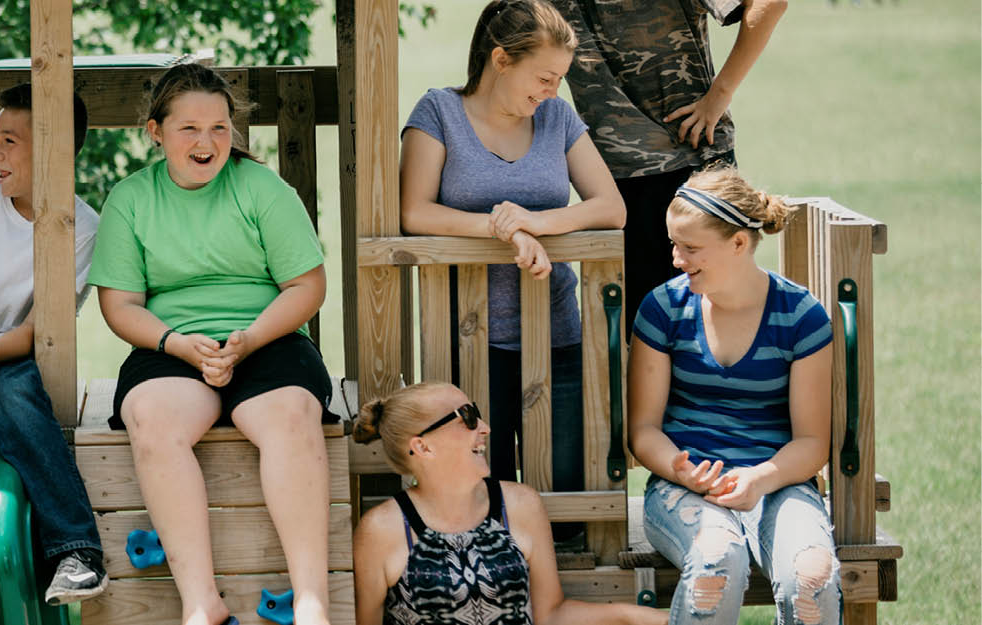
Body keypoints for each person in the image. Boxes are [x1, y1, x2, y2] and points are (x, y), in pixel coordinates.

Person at [87, 63, 334, 625]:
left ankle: (312, 601)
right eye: (190, 129)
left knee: (293, 415)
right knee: (152, 418)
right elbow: (120, 305)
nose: (207, 142)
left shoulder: (262, 188)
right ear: (156, 132)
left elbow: (307, 285)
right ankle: (202, 604)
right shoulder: (131, 199)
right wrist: (177, 343)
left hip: (266, 335)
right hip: (169, 344)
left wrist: (246, 341)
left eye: (220, 128)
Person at [399, 0, 625, 549]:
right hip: (468, 345)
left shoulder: (557, 118)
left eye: (560, 79)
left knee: (567, 507)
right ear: (501, 59)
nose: (552, 90)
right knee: (479, 503)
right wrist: (504, 230)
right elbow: (414, 212)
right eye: (545, 77)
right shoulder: (438, 113)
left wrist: (537, 221)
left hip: (559, 339)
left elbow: (611, 207)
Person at [627, 167, 841, 624]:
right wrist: (683, 472)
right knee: (716, 562)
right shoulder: (663, 309)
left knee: (812, 576)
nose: (675, 259)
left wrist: (759, 480)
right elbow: (643, 430)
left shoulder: (801, 316)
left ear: (739, 243)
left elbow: (811, 444)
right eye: (673, 244)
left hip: (778, 483)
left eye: (690, 247)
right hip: (680, 489)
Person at [0, 85, 107, 606]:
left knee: (15, 402)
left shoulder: (82, 229)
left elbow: (42, 328)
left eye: (9, 141)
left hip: (17, 357)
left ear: (53, 150)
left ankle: (77, 552)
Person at [547, 0, 787, 335]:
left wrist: (721, 93)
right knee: (642, 338)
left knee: (716, 330)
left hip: (694, 166)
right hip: (613, 184)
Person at [352, 381, 668, 625]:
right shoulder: (382, 529)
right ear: (423, 447)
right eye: (468, 417)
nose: (486, 428)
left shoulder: (519, 505)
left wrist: (642, 617)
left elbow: (551, 615)